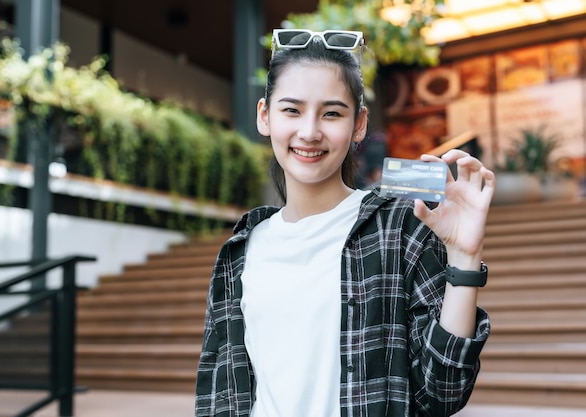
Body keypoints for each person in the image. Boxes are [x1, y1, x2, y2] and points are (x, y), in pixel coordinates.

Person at [195, 29, 495, 417]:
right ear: (265, 116)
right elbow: (220, 396)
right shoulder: (239, 253)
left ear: (359, 124)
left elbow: (442, 392)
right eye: (291, 110)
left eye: (332, 113)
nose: (309, 131)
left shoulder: (398, 229)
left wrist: (465, 256)